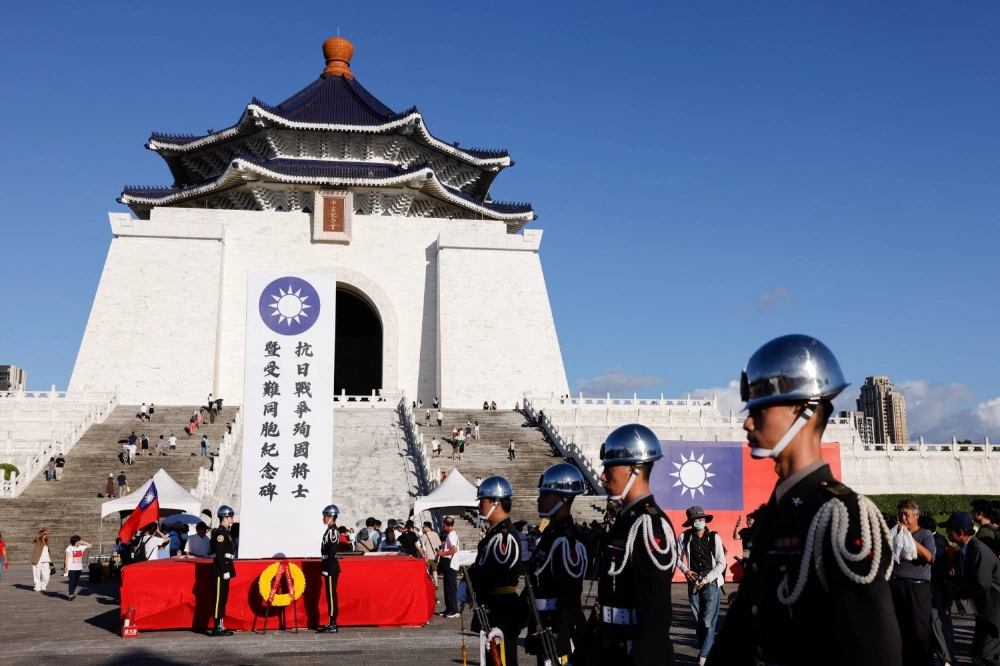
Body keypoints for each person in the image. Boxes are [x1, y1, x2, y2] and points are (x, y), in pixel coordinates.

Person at [707, 335, 900, 666]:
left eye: (759, 409)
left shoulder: (843, 515)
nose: (747, 422)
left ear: (803, 410)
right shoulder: (777, 511)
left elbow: (874, 651)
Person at [578, 423, 677, 666]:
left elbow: (655, 613)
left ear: (633, 469)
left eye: (609, 467)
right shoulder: (625, 522)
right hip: (610, 647)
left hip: (633, 654)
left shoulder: (648, 525)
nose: (602, 476)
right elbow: (605, 601)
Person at [521, 463, 588, 666]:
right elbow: (533, 587)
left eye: (545, 495)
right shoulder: (551, 534)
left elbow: (569, 594)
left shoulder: (567, 539)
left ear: (562, 499)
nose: (538, 500)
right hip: (544, 625)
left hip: (558, 630)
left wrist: (559, 635)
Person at [468, 476, 521, 666]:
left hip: (502, 610)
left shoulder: (503, 537)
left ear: (496, 503)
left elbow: (495, 576)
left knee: (503, 660)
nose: (479, 506)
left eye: (483, 501)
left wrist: (473, 582)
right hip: (493, 609)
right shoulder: (495, 534)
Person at [941, 512, 1000, 664]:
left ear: (960, 532)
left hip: (994, 612)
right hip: (984, 611)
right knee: (976, 654)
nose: (947, 533)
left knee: (987, 655)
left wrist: (956, 590)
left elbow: (981, 583)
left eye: (949, 529)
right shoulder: (969, 549)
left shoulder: (977, 550)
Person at [677, 506, 727, 665]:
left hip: (711, 583)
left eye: (701, 519)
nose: (699, 522)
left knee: (708, 622)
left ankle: (703, 658)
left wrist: (706, 579)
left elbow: (721, 563)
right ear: (690, 522)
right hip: (693, 584)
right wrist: (685, 570)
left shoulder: (714, 537)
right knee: (698, 622)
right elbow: (675, 557)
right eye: (695, 520)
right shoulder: (684, 537)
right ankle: (707, 652)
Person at [888, 499, 935, 666]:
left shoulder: (925, 534)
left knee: (919, 629)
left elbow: (929, 557)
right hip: (896, 584)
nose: (902, 517)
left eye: (906, 514)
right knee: (899, 628)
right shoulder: (895, 533)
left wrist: (911, 540)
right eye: (900, 514)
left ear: (916, 516)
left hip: (916, 587)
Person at [919, 514, 956, 666]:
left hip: (936, 588)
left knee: (937, 623)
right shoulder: (941, 539)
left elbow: (935, 566)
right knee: (943, 623)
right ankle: (948, 656)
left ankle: (946, 658)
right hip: (942, 587)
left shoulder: (932, 542)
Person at [210, 505, 237, 636]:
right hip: (220, 570)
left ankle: (221, 624)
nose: (232, 519)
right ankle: (217, 627)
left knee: (223, 599)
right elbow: (220, 555)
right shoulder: (220, 534)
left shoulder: (226, 532)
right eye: (231, 517)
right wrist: (224, 570)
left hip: (225, 568)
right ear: (225, 518)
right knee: (218, 599)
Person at [318, 505, 341, 633]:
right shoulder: (329, 531)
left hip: (331, 567)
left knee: (331, 596)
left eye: (325, 516)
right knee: (329, 595)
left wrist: (326, 567)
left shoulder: (332, 532)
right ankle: (331, 622)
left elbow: (332, 552)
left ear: (331, 517)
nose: (323, 519)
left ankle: (333, 624)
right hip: (329, 566)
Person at [436, 517, 460, 617]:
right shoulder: (451, 535)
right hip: (450, 564)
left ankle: (454, 609)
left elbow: (454, 549)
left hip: (451, 564)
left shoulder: (451, 535)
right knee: (447, 587)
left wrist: (443, 553)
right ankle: (449, 608)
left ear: (445, 525)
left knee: (450, 588)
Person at [63, 535, 92, 600]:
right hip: (71, 568)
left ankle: (72, 592)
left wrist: (83, 542)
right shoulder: (69, 548)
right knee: (71, 581)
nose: (79, 542)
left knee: (76, 582)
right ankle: (71, 594)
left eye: (79, 540)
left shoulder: (81, 547)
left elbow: (90, 545)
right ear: (74, 541)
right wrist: (66, 566)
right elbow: (66, 557)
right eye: (78, 541)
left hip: (79, 568)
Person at [421, 522, 442, 588]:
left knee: (427, 571)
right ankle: (436, 583)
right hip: (434, 556)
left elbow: (422, 546)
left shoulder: (424, 536)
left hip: (427, 555)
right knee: (434, 571)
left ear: (427, 527)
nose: (423, 528)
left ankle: (428, 583)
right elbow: (439, 545)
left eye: (424, 527)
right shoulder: (436, 534)